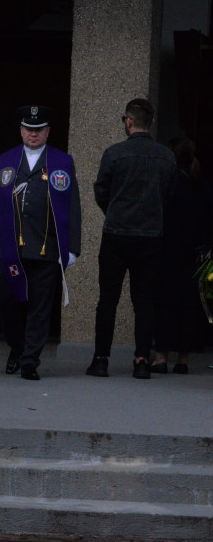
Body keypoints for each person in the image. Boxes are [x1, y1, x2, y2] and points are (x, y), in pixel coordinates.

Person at [0, 106, 81, 381]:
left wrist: (72, 247)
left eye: (38, 130)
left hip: (46, 248)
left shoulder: (62, 161)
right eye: (28, 129)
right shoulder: (6, 159)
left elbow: (73, 206)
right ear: (21, 130)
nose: (33, 134)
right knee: (7, 303)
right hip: (9, 248)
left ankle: (30, 360)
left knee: (40, 306)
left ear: (47, 131)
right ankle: (17, 347)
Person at [87, 98, 176, 379]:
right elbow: (170, 196)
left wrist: (114, 212)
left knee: (108, 300)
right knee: (144, 301)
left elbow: (101, 191)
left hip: (116, 234)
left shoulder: (114, 154)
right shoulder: (167, 156)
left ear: (128, 121)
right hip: (150, 236)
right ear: (149, 122)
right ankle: (141, 360)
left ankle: (101, 359)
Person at [153, 138, 211, 375]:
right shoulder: (201, 186)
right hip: (196, 255)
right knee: (189, 306)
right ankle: (183, 358)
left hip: (167, 252)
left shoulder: (168, 185)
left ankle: (161, 356)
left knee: (164, 304)